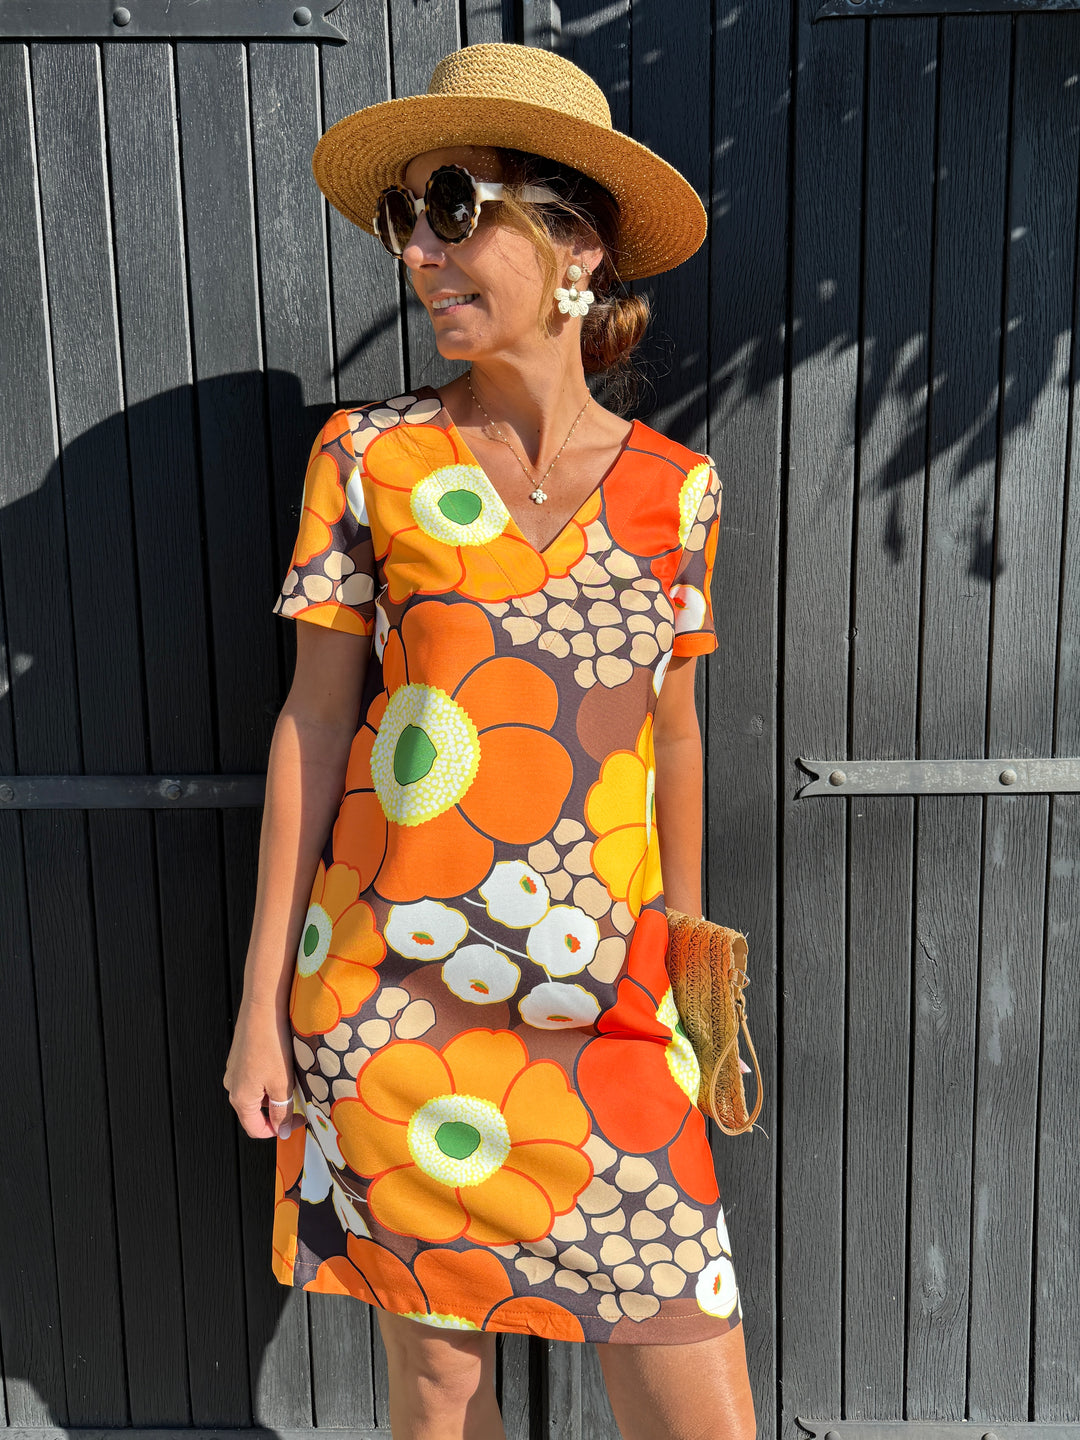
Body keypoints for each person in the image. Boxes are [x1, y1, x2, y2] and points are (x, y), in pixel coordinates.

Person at [224, 40, 756, 1440]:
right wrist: (260, 1005)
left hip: (612, 1011)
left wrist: (692, 988)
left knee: (697, 1388)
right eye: (407, 217)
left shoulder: (677, 493)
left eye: (453, 207)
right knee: (441, 1394)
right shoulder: (368, 461)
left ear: (576, 242)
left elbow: (674, 737)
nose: (419, 249)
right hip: (395, 1009)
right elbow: (314, 721)